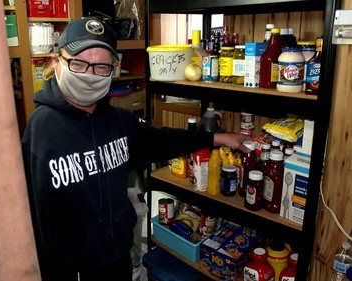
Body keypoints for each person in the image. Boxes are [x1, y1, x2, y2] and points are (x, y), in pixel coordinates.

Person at [21, 16, 252, 281]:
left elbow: (162, 140)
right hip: (73, 272)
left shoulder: (118, 121)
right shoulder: (42, 129)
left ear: (113, 69)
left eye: (101, 67)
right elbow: (31, 219)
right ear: (56, 61)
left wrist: (218, 139)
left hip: (118, 262)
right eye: (79, 63)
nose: (89, 75)